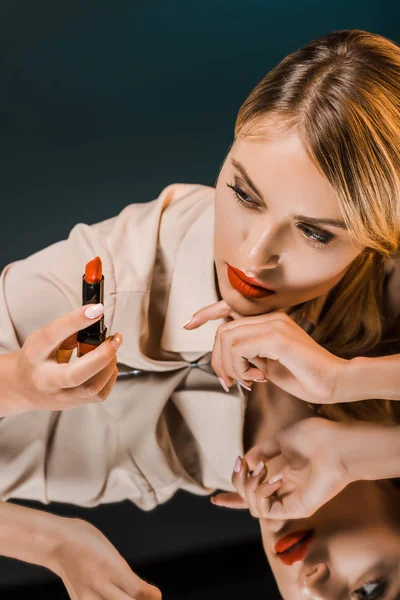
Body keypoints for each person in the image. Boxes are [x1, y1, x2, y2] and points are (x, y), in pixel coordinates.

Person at [0, 27, 400, 598]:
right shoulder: (121, 275)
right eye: (242, 192)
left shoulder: (269, 474)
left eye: (313, 232)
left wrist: (55, 544)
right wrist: (15, 380)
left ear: (370, 242)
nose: (255, 255)